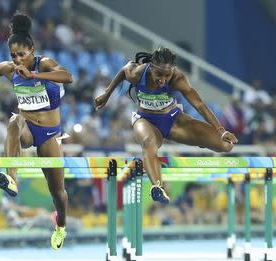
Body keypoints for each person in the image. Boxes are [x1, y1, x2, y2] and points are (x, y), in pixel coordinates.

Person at [0, 13, 72, 250]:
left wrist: (34, 75)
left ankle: (60, 225)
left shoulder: (45, 64)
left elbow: (68, 76)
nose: (17, 59)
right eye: (13, 55)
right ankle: (11, 177)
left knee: (58, 194)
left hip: (50, 134)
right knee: (13, 123)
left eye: (22, 54)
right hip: (27, 128)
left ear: (32, 50)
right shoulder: (9, 69)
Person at [94, 47, 238, 204]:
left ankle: (199, 140)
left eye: (167, 75)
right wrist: (106, 94)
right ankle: (157, 187)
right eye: (158, 75)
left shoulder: (177, 78)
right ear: (152, 67)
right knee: (149, 144)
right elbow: (123, 70)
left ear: (173, 71)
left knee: (225, 146)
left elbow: (200, 105)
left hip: (173, 120)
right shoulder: (138, 73)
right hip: (145, 120)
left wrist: (221, 131)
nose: (162, 80)